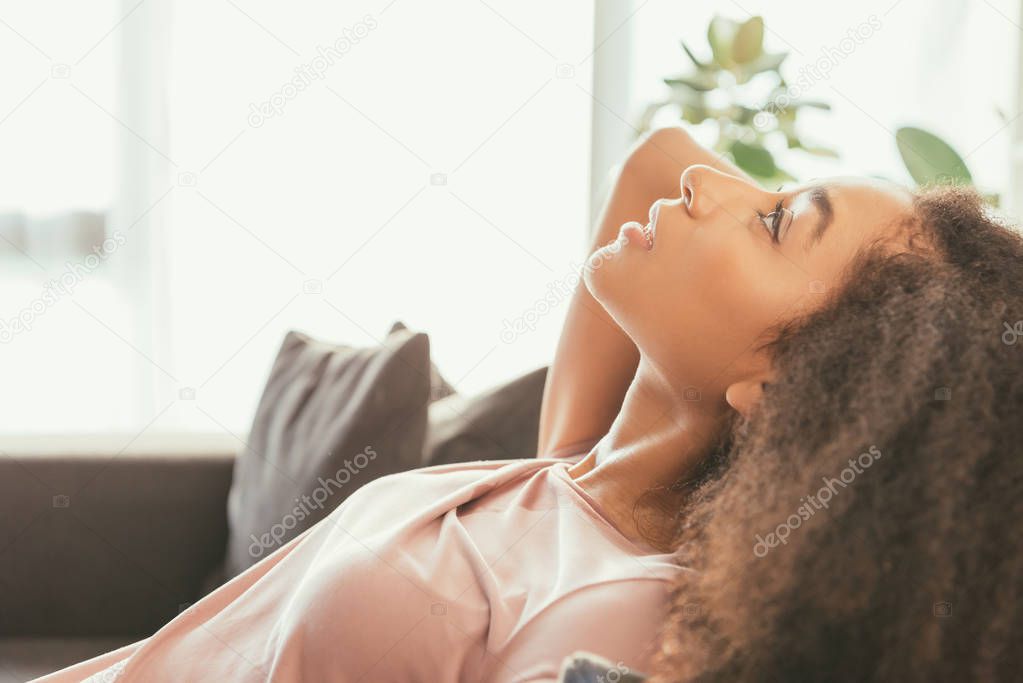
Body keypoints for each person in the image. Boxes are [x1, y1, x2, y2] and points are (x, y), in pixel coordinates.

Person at [38, 126, 1018, 682]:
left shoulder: (621, 608)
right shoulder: (575, 461)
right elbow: (656, 155)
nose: (706, 187)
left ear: (787, 389)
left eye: (773, 220)